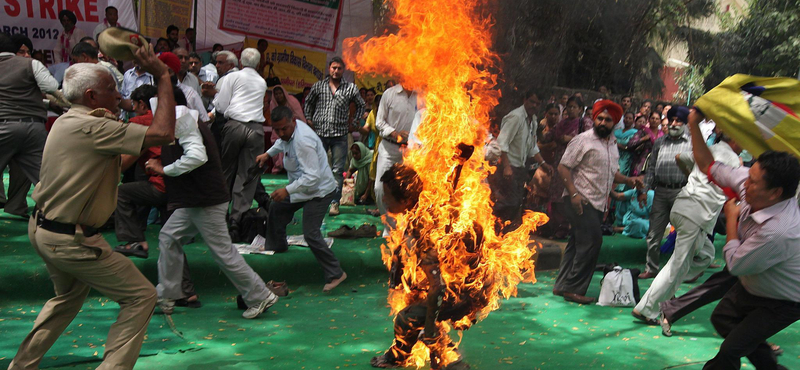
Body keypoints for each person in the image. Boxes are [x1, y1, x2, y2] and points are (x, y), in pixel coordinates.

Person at [6, 45, 176, 370]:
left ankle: (22, 365)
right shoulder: (94, 128)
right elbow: (165, 132)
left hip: (43, 228)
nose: (119, 96)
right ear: (91, 96)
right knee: (141, 296)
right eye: (112, 90)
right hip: (72, 241)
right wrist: (163, 76)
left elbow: (112, 164)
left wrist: (137, 149)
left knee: (66, 299)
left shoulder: (68, 120)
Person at [676, 109, 800, 370]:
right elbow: (706, 164)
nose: (745, 184)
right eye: (748, 175)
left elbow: (735, 265)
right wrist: (693, 124)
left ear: (776, 192)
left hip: (784, 299)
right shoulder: (749, 181)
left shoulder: (779, 231)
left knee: (731, 350)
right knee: (723, 319)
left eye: (753, 182)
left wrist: (731, 218)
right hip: (753, 285)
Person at [145, 103, 278, 319]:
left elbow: (196, 157)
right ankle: (167, 294)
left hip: (205, 200)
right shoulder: (182, 119)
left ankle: (259, 294)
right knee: (169, 237)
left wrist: (164, 169)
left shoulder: (182, 120)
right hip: (195, 200)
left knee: (223, 252)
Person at [632, 126, 741, 324]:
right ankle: (647, 309)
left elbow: (680, 157)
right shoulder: (733, 160)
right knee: (677, 266)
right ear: (734, 139)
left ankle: (667, 289)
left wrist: (692, 175)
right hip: (695, 214)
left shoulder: (709, 150)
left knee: (706, 255)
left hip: (684, 207)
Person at [369, 163, 470, 370]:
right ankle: (425, 348)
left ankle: (452, 361)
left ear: (405, 200)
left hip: (463, 291)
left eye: (387, 195)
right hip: (456, 285)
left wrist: (431, 328)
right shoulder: (423, 207)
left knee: (408, 318)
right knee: (415, 304)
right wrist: (458, 165)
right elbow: (450, 191)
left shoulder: (420, 230)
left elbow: (438, 286)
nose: (384, 200)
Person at [553, 100, 640, 304]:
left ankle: (562, 285)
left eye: (608, 120)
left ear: (614, 123)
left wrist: (628, 180)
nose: (602, 122)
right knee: (592, 242)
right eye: (599, 118)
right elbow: (563, 167)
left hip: (598, 202)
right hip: (581, 199)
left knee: (577, 242)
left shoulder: (612, 145)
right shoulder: (582, 140)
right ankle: (573, 289)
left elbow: (612, 173)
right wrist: (574, 194)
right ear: (593, 119)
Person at [255, 106, 348, 292]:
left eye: (284, 129)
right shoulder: (288, 135)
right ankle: (277, 246)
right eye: (277, 129)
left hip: (319, 191)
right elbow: (282, 144)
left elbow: (312, 177)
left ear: (293, 122)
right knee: (276, 207)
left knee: (311, 233)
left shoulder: (303, 141)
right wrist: (268, 154)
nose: (281, 133)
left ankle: (336, 273)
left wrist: (287, 190)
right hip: (301, 188)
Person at [0, 33, 59, 219]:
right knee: (45, 178)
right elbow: (51, 86)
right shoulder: (31, 64)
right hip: (34, 127)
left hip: (3, 127)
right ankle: (62, 216)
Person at [211, 48, 267, 234]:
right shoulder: (262, 82)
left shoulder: (232, 78)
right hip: (256, 129)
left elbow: (221, 105)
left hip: (234, 125)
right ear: (258, 64)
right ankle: (237, 218)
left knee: (226, 172)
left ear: (240, 63)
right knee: (247, 175)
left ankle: (219, 217)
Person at [303, 57, 367, 216]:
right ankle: (316, 200)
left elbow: (361, 104)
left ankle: (334, 203)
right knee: (316, 168)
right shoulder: (319, 86)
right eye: (333, 68)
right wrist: (309, 119)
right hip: (320, 134)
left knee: (338, 171)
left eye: (339, 68)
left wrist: (355, 121)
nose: (336, 71)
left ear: (343, 70)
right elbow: (308, 102)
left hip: (340, 135)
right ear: (329, 69)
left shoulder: (350, 88)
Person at [638, 107, 692, 279]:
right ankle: (651, 268)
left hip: (683, 191)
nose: (674, 124)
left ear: (685, 123)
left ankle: (681, 271)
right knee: (654, 233)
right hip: (661, 191)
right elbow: (651, 168)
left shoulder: (691, 142)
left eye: (679, 120)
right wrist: (644, 190)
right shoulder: (660, 142)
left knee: (685, 233)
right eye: (672, 120)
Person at [489, 89, 551, 230]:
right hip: (508, 168)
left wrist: (543, 163)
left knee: (515, 203)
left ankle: (504, 237)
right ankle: (493, 233)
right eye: (531, 101)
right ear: (525, 100)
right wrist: (506, 167)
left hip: (519, 169)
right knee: (505, 204)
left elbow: (532, 146)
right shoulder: (515, 117)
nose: (534, 105)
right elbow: (502, 144)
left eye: (537, 103)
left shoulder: (533, 120)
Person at [538, 96, 590, 239]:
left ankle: (566, 229)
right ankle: (555, 227)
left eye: (575, 107)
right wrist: (538, 131)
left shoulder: (584, 123)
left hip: (576, 166)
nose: (572, 109)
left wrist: (571, 139)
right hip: (559, 163)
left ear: (580, 109)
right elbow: (547, 138)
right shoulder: (561, 124)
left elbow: (590, 140)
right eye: (569, 107)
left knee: (569, 195)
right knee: (556, 197)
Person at [373, 81, 420, 230]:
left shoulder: (421, 96)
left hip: (411, 152)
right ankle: (390, 227)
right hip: (389, 148)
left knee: (408, 193)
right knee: (380, 189)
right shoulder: (389, 94)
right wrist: (395, 133)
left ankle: (405, 228)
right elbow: (379, 122)